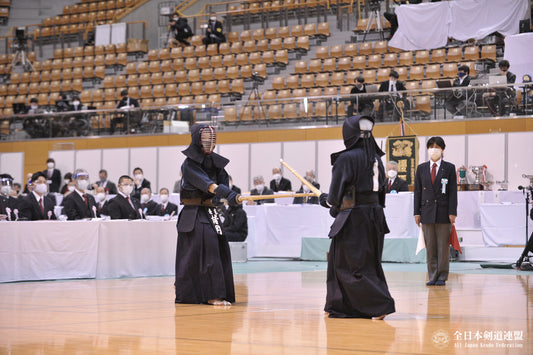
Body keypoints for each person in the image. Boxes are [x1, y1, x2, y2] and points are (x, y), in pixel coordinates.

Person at [319, 115, 395, 319]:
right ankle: (339, 305)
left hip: (354, 220)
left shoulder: (345, 158)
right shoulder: (376, 159)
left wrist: (326, 200)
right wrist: (339, 204)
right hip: (375, 216)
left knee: (349, 265)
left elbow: (335, 196)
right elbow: (377, 194)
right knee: (367, 263)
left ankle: (380, 305)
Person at [175, 124, 240, 306]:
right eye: (205, 138)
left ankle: (219, 291)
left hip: (211, 213)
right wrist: (225, 193)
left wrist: (232, 196)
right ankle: (206, 293)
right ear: (197, 139)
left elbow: (222, 182)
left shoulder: (216, 163)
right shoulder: (189, 164)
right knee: (202, 251)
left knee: (218, 249)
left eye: (211, 138)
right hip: (194, 214)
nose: (209, 142)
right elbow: (207, 184)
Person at [414, 136, 457, 286]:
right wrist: (416, 212)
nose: (434, 149)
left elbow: (453, 192)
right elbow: (417, 192)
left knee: (443, 247)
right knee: (430, 247)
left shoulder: (449, 168)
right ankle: (432, 275)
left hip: (444, 213)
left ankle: (442, 276)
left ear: (442, 149)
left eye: (437, 147)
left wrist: (453, 212)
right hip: (426, 213)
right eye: (431, 147)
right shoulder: (421, 168)